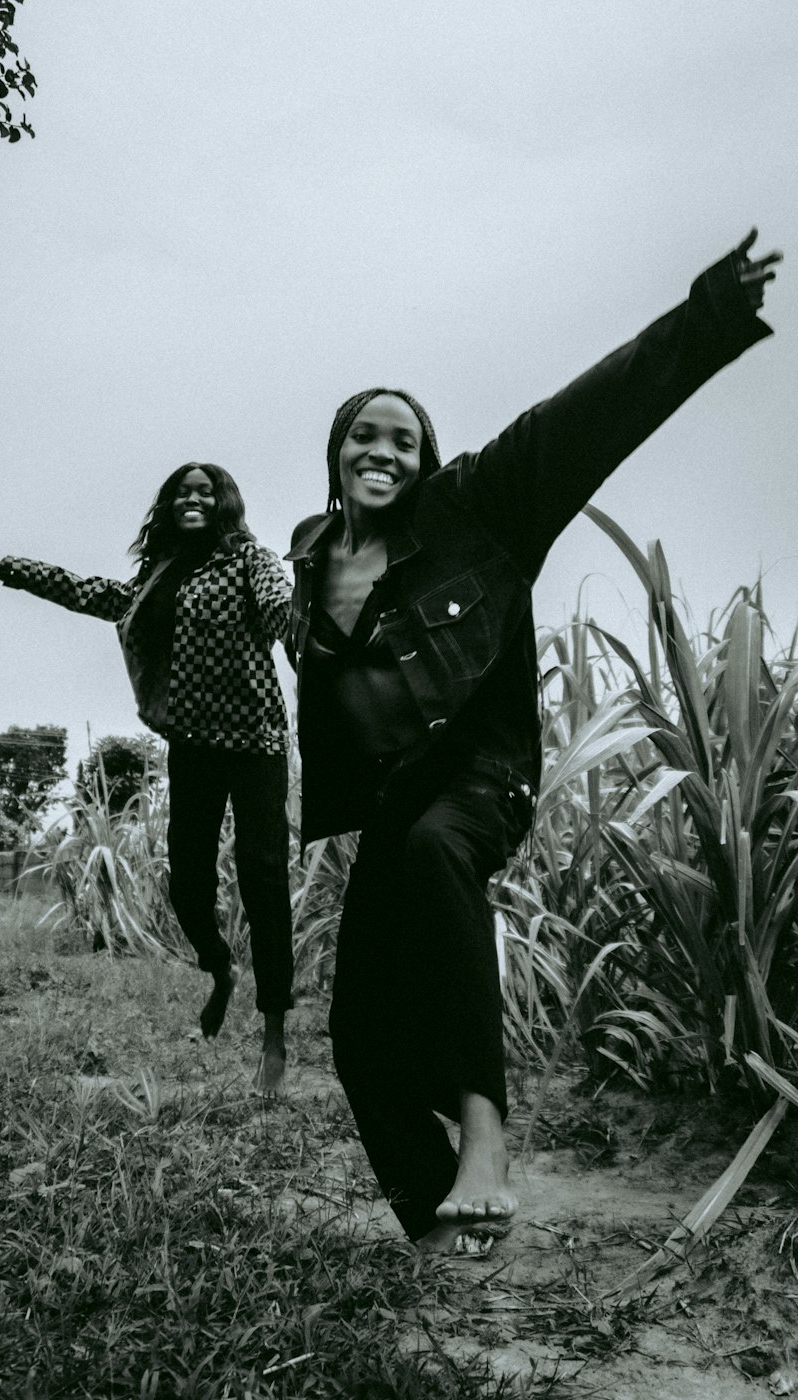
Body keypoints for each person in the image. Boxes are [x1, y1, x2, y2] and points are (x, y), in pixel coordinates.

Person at [284, 230, 781, 1250]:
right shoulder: (309, 559)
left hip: (480, 782)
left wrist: (704, 319)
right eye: (361, 437)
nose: (381, 450)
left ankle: (487, 1138)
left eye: (401, 439)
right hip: (390, 803)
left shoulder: (476, 506)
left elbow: (586, 418)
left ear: (422, 461)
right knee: (357, 1040)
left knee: (433, 847)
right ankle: (440, 1233)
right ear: (334, 457)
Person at [0, 463, 295, 1091]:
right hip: (194, 746)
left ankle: (274, 1036)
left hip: (258, 742)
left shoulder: (247, 559)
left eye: (206, 491)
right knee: (186, 884)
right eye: (183, 492)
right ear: (168, 506)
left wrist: (289, 612)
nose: (194, 498)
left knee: (262, 877)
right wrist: (26, 575)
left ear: (224, 504)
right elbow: (95, 593)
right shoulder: (161, 579)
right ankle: (220, 970)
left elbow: (275, 601)